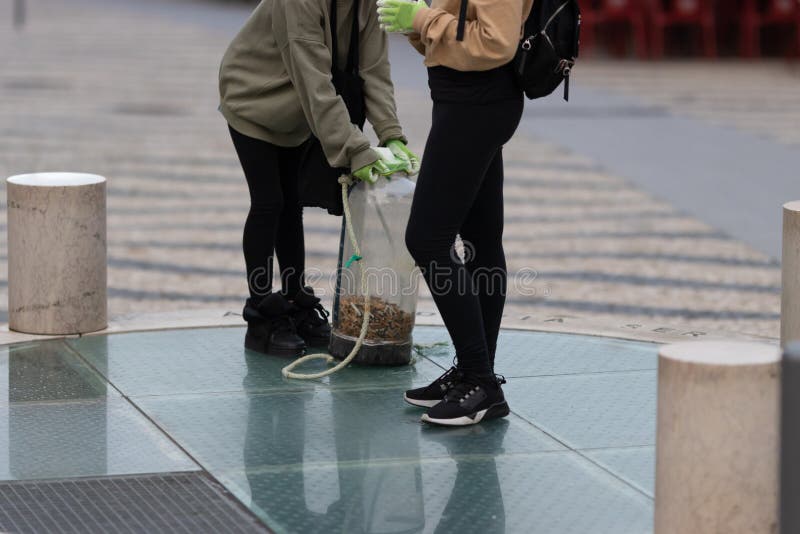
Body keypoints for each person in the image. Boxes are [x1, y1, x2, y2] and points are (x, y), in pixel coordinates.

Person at [219, 0, 419, 357]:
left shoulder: (366, 4)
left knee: (291, 205)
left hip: (301, 113)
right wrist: (356, 150)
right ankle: (261, 315)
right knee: (270, 203)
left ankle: (295, 301)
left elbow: (373, 69)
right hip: (253, 100)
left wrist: (391, 134)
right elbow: (314, 81)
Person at [378, 0, 533, 425]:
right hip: (464, 100)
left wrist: (421, 18)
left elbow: (496, 42)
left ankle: (481, 381)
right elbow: (453, 36)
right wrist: (417, 23)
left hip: (478, 104)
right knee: (481, 238)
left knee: (426, 239)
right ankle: (473, 373)